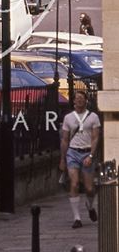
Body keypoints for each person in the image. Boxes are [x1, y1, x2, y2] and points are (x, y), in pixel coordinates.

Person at [59, 90, 101, 229]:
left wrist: (91, 155)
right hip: (73, 152)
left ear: (86, 100)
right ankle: (77, 218)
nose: (79, 101)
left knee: (89, 188)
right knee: (74, 183)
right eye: (77, 98)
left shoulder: (93, 117)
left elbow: (95, 138)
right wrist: (62, 159)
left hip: (87, 152)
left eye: (82, 98)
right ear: (74, 101)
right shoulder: (68, 118)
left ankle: (89, 206)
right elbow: (65, 140)